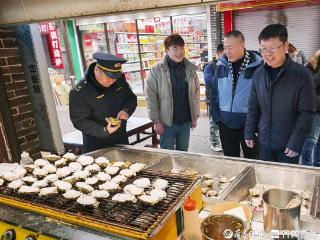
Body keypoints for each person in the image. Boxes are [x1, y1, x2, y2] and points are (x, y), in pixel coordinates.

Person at [245, 24, 315, 164]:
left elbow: (306, 112)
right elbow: (253, 105)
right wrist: (249, 131)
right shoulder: (259, 73)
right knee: (264, 181)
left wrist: (296, 141)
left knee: (286, 183)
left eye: (273, 48)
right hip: (264, 142)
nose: (267, 53)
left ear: (285, 46)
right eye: (263, 48)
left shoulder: (301, 75)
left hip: (288, 146)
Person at [69, 52, 137, 153]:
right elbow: (79, 121)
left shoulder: (118, 81)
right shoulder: (80, 92)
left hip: (121, 139)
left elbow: (131, 98)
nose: (111, 81)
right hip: (97, 144)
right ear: (96, 69)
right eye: (108, 77)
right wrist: (104, 130)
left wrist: (126, 110)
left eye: (114, 77)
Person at [211, 30, 262, 158]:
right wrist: (217, 118)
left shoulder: (257, 67)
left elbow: (263, 98)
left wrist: (257, 123)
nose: (227, 51)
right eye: (225, 48)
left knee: (252, 161)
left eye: (231, 47)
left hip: (249, 125)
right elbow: (214, 94)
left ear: (242, 45)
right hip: (225, 123)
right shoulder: (221, 66)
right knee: (230, 162)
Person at [146, 33, 200, 151]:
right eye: (175, 48)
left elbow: (195, 94)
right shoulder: (156, 70)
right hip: (167, 122)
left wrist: (194, 116)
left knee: (183, 152)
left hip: (185, 121)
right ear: (167, 50)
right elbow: (151, 97)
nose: (179, 52)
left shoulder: (190, 69)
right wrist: (156, 121)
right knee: (167, 153)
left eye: (181, 48)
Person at [204, 43, 224, 152]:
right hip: (213, 99)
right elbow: (209, 81)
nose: (226, 56)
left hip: (225, 100)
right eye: (223, 54)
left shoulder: (227, 65)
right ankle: (214, 143)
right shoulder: (209, 66)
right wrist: (224, 81)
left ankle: (222, 141)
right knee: (213, 123)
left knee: (222, 122)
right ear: (217, 54)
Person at [301, 50, 320, 165]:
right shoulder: (309, 68)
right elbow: (310, 84)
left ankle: (317, 166)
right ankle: (306, 167)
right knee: (311, 140)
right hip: (315, 109)